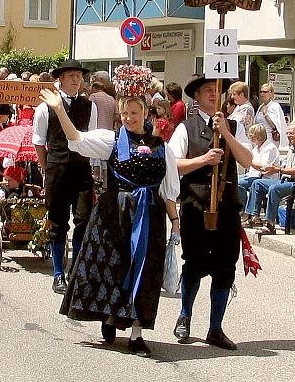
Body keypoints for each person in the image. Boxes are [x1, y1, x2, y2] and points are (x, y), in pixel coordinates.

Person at [40, 64, 180, 355]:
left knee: (144, 271)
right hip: (114, 212)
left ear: (146, 114)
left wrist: (175, 222)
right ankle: (109, 315)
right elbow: (76, 140)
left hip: (148, 215)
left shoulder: (162, 147)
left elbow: (168, 188)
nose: (129, 118)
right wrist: (59, 109)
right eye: (124, 114)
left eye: (134, 113)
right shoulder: (112, 140)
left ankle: (137, 332)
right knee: (113, 268)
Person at [168, 76, 252, 351]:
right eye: (208, 91)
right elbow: (173, 165)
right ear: (197, 97)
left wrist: (226, 133)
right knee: (193, 264)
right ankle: (185, 315)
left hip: (227, 207)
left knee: (226, 267)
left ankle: (215, 328)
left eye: (218, 90)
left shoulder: (235, 126)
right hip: (195, 205)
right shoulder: (185, 128)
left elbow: (247, 160)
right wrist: (203, 160)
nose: (214, 95)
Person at [33, 59, 98, 294]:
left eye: (78, 76)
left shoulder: (90, 106)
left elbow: (90, 138)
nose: (75, 80)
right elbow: (39, 141)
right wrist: (45, 169)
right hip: (57, 169)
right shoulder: (44, 108)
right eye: (71, 76)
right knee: (58, 222)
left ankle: (75, 271)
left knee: (83, 219)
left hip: (81, 169)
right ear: (60, 79)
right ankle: (58, 273)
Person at [244, 121, 295, 235]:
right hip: (287, 181)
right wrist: (274, 168)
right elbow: (284, 167)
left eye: (291, 133)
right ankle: (253, 217)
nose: (288, 136)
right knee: (257, 183)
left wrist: (277, 169)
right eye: (287, 133)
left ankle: (270, 225)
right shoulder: (291, 148)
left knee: (274, 188)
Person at [238, 124, 280, 225]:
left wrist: (247, 161)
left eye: (251, 136)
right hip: (253, 175)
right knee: (235, 180)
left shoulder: (269, 148)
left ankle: (245, 213)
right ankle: (243, 211)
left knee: (239, 183)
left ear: (258, 136)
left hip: (265, 177)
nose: (250, 138)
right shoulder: (256, 148)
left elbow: (263, 168)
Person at [255, 83, 287, 149]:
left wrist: (265, 115)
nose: (262, 94)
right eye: (261, 92)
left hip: (270, 138)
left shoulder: (274, 106)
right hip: (259, 138)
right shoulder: (260, 107)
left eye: (265, 92)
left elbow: (275, 126)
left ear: (271, 93)